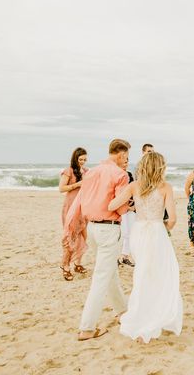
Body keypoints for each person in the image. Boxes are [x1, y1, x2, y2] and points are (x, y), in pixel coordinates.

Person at [109, 151, 183, 343]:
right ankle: (156, 315)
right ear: (160, 167)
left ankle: (141, 314)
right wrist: (164, 230)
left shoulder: (134, 186)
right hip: (157, 231)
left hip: (139, 232)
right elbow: (173, 219)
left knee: (142, 273)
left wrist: (126, 204)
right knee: (160, 274)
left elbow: (112, 205)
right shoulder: (166, 187)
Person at [67, 139, 132, 341]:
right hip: (109, 229)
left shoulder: (91, 172)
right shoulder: (120, 175)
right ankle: (87, 328)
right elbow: (119, 207)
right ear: (120, 155)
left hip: (92, 228)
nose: (127, 162)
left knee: (109, 273)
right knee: (101, 278)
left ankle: (124, 312)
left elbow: (81, 201)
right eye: (127, 158)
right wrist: (130, 205)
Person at [59, 147, 89, 281]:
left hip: (82, 208)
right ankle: (65, 265)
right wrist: (78, 184)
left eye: (85, 159)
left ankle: (77, 263)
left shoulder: (86, 171)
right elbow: (61, 188)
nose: (82, 162)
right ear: (75, 158)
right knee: (70, 237)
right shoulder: (68, 171)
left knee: (83, 236)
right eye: (80, 159)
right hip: (70, 207)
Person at [118, 157, 136, 267]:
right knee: (122, 233)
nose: (126, 164)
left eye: (127, 162)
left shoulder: (129, 174)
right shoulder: (116, 174)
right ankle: (116, 257)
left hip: (131, 207)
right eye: (124, 162)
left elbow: (134, 189)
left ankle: (125, 256)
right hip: (120, 208)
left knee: (130, 233)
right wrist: (126, 206)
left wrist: (133, 204)